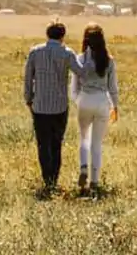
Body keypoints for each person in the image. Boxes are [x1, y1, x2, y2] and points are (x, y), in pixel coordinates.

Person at [22, 19, 86, 196]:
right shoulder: (67, 53)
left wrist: (29, 98)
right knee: (57, 144)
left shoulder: (35, 52)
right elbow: (80, 73)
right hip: (59, 106)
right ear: (63, 36)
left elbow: (28, 78)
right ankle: (54, 179)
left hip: (40, 105)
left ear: (47, 34)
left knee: (43, 144)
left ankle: (47, 179)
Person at [70, 22, 119, 197]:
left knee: (84, 138)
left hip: (85, 99)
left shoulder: (80, 58)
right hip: (102, 101)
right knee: (97, 143)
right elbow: (112, 87)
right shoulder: (109, 60)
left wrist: (78, 101)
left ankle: (83, 167)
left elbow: (74, 88)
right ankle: (95, 181)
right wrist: (115, 106)